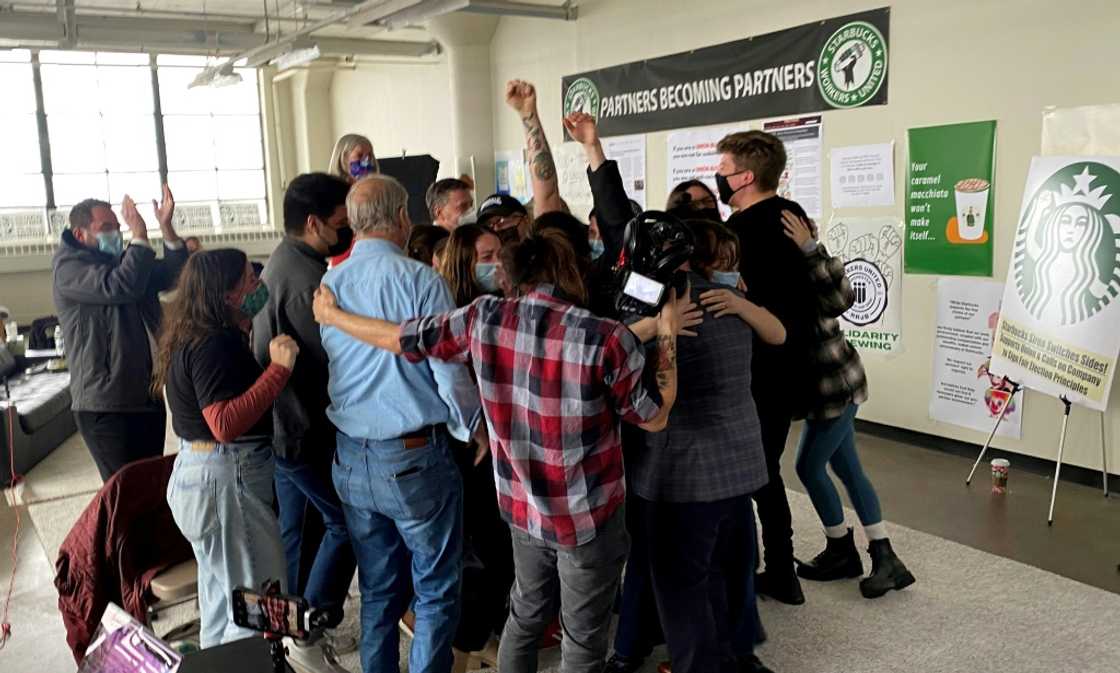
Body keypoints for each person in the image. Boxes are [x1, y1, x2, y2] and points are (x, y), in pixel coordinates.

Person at [312, 228, 684, 673]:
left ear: (513, 276)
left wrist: (333, 316)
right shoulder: (606, 337)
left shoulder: (483, 318)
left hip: (521, 508)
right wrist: (667, 332)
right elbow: (655, 416)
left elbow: (400, 338)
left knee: (523, 616)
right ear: (571, 272)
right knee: (583, 638)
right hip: (586, 517)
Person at [318, 174, 485, 673]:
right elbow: (448, 369)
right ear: (401, 217)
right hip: (413, 458)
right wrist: (473, 426)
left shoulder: (330, 286)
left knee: (377, 589)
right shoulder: (421, 281)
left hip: (351, 457)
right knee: (435, 588)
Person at [630, 218, 784, 673]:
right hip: (739, 459)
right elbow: (778, 334)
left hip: (682, 468)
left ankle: (699, 664)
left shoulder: (662, 304)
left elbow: (614, 358)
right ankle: (738, 654)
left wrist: (654, 328)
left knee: (682, 580)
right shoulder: (733, 302)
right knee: (731, 567)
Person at [154, 249, 294, 648]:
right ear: (227, 294)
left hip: (199, 476)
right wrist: (279, 370)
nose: (258, 285)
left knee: (222, 604)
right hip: (226, 482)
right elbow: (225, 424)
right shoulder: (215, 344)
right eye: (249, 280)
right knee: (257, 609)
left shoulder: (192, 334)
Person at [252, 173, 358, 670]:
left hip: (282, 428)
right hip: (304, 428)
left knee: (293, 536)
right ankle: (309, 630)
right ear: (314, 223)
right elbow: (334, 359)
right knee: (347, 524)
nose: (347, 230)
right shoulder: (308, 282)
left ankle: (284, 633)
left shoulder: (280, 262)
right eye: (341, 222)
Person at [780, 211, 915, 599]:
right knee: (846, 466)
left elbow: (842, 299)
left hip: (836, 387)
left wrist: (809, 248)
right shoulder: (783, 272)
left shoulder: (813, 264)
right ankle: (878, 557)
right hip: (824, 390)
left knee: (809, 467)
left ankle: (846, 548)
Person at [717, 130, 818, 606]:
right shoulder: (792, 216)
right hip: (791, 367)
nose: (718, 177)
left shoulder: (743, 233)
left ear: (745, 177)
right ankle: (779, 569)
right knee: (766, 470)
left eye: (723, 170)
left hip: (757, 370)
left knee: (754, 475)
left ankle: (774, 570)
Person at [52, 186, 186, 481]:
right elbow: (122, 285)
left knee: (151, 486)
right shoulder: (69, 269)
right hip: (107, 403)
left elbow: (174, 274)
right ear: (80, 234)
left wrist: (166, 227)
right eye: (106, 228)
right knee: (125, 492)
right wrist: (140, 234)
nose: (116, 233)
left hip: (146, 394)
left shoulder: (123, 262)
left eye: (117, 226)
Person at [440, 224, 504, 307]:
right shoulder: (446, 306)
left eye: (500, 254)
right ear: (463, 264)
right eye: (487, 257)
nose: (499, 262)